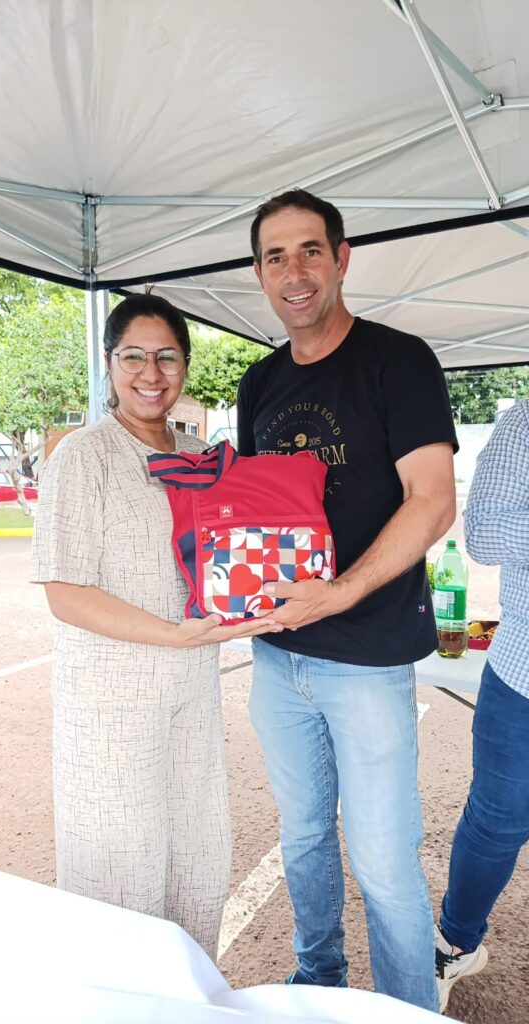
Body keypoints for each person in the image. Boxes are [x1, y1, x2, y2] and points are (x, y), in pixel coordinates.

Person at [236, 189, 458, 1011]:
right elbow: (257, 515)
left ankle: (406, 1010)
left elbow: (432, 501)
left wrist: (338, 594)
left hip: (366, 659)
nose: (294, 272)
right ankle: (318, 982)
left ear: (341, 259)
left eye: (310, 251)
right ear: (259, 272)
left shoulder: (398, 361)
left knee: (384, 861)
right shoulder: (259, 382)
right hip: (276, 652)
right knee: (302, 837)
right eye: (276, 256)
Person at [31, 293, 281, 960]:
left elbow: (235, 558)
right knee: (121, 870)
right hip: (110, 701)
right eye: (134, 357)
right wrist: (172, 634)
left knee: (197, 857)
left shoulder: (204, 456)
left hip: (192, 690)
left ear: (186, 365)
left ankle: (189, 995)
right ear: (109, 362)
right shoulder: (83, 456)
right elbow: (64, 594)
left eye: (167, 357)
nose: (151, 373)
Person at [435, 399, 529, 1013]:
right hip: (525, 671)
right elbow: (485, 533)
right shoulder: (525, 422)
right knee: (497, 822)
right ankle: (454, 943)